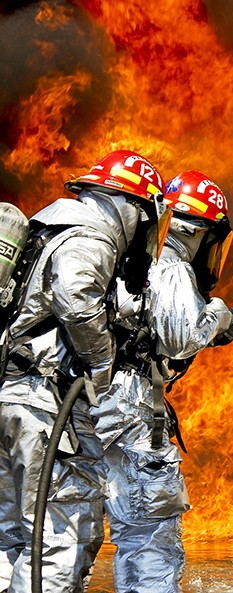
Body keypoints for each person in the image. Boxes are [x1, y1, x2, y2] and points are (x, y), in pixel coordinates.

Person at [0, 149, 170, 592]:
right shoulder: (90, 237)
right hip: (44, 406)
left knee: (13, 537)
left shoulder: (47, 228)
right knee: (63, 535)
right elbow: (76, 298)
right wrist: (101, 366)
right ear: (130, 208)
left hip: (11, 394)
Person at [92, 170, 233, 593]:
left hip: (92, 409)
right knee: (149, 537)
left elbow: (156, 325)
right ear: (201, 232)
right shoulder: (171, 265)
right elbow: (182, 336)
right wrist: (228, 311)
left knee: (71, 533)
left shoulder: (130, 259)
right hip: (132, 416)